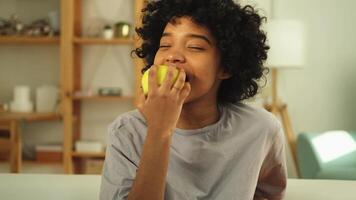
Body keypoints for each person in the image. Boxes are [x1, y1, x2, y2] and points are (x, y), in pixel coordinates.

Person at [100, 0, 287, 199]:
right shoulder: (126, 132)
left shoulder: (261, 129)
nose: (172, 56)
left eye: (195, 47)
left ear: (226, 67)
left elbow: (268, 195)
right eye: (165, 45)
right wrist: (160, 129)